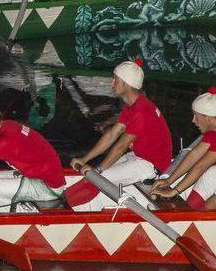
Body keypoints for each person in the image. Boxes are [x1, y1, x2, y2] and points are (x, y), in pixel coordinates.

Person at [65, 59, 171, 209]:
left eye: (116, 80)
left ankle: (60, 207)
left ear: (126, 84)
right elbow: (112, 135)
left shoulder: (141, 111)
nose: (112, 83)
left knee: (98, 179)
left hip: (150, 165)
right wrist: (85, 159)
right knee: (96, 174)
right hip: (139, 156)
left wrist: (98, 170)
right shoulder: (132, 106)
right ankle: (64, 202)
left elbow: (121, 146)